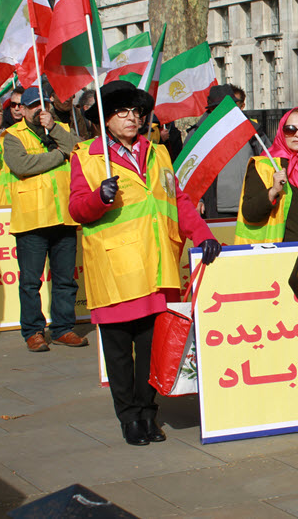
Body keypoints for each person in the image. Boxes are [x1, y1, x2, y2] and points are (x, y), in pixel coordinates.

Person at [69, 81, 221, 446]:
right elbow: (76, 209)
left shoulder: (158, 154)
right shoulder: (86, 156)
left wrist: (203, 235)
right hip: (116, 268)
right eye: (123, 112)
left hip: (156, 266)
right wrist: (98, 198)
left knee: (151, 350)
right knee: (120, 352)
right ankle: (129, 417)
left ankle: (148, 413)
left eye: (137, 112)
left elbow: (178, 200)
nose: (133, 119)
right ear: (105, 118)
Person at [2, 86, 86, 352]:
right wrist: (59, 155)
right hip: (32, 220)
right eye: (33, 105)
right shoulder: (12, 135)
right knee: (30, 281)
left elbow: (79, 150)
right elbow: (23, 166)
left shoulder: (58, 130)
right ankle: (33, 331)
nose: (40, 109)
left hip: (62, 216)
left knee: (64, 279)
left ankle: (63, 328)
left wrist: (57, 131)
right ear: (23, 110)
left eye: (44, 104)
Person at [235, 107, 298, 244]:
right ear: (281, 131)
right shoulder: (263, 165)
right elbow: (249, 214)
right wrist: (273, 192)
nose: (297, 135)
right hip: (276, 254)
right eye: (290, 129)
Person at [190, 84, 255, 218]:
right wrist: (197, 199)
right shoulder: (198, 134)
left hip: (250, 205)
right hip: (216, 209)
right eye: (219, 107)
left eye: (228, 106)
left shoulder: (251, 129)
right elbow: (189, 171)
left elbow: (267, 157)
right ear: (211, 110)